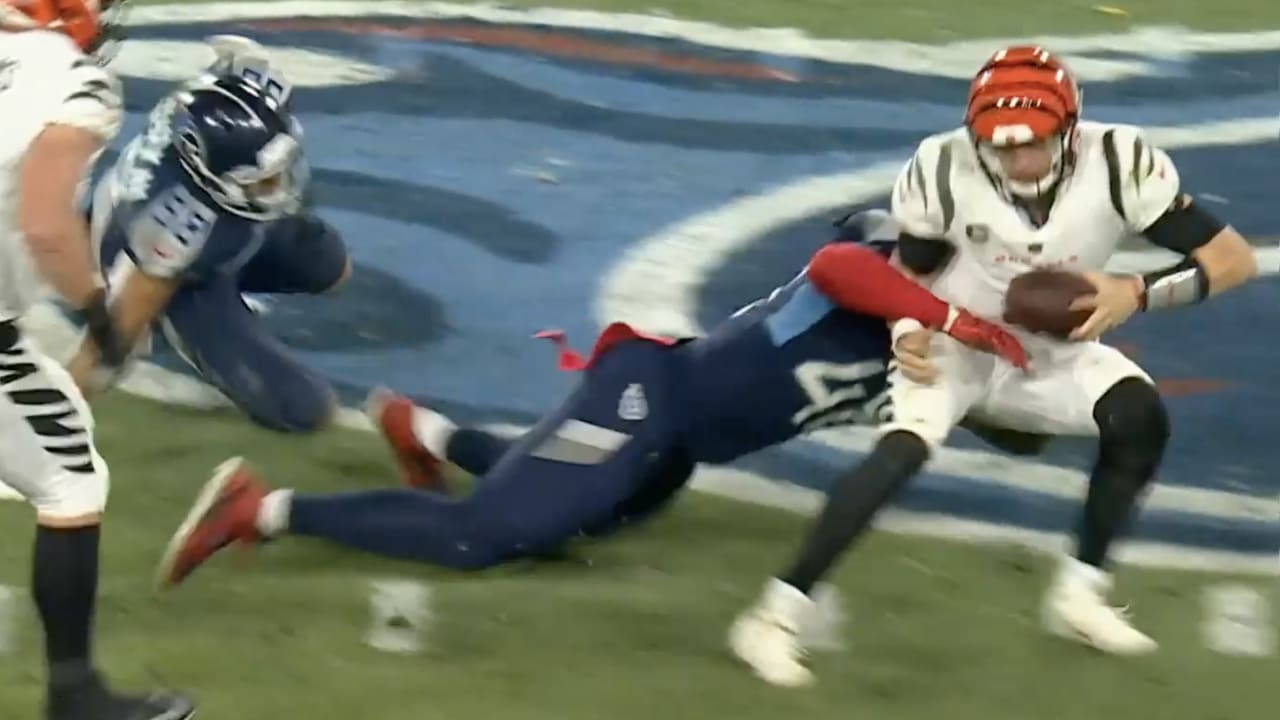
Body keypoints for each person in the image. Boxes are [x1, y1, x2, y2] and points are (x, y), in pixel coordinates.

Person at [729, 45, 1260, 687]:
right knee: (900, 452)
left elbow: (1233, 260)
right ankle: (773, 616)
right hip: (957, 337)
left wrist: (1134, 293)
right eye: (1000, 146)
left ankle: (1080, 594)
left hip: (1049, 349)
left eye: (1033, 143)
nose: (1017, 159)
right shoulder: (942, 165)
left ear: (1069, 130)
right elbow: (910, 269)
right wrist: (906, 327)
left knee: (1140, 418)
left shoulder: (1120, 161)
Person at [152, 218, 1029, 586]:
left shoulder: (933, 349)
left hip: (672, 443)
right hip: (651, 400)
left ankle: (422, 429)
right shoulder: (853, 284)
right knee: (481, 537)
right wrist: (951, 316)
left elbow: (1016, 432)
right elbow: (844, 265)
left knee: (553, 514)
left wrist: (1029, 372)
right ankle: (261, 509)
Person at [0, 1, 195, 717]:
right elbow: (48, 228)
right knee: (69, 479)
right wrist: (96, 314)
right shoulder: (72, 81)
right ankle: (74, 692)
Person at [69, 35, 348, 433]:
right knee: (305, 407)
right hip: (174, 273)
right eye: (265, 180)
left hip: (223, 223)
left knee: (331, 263)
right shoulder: (176, 228)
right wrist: (52, 421)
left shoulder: (214, 116)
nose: (281, 183)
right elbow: (108, 341)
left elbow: (241, 64)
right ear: (212, 178)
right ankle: (183, 322)